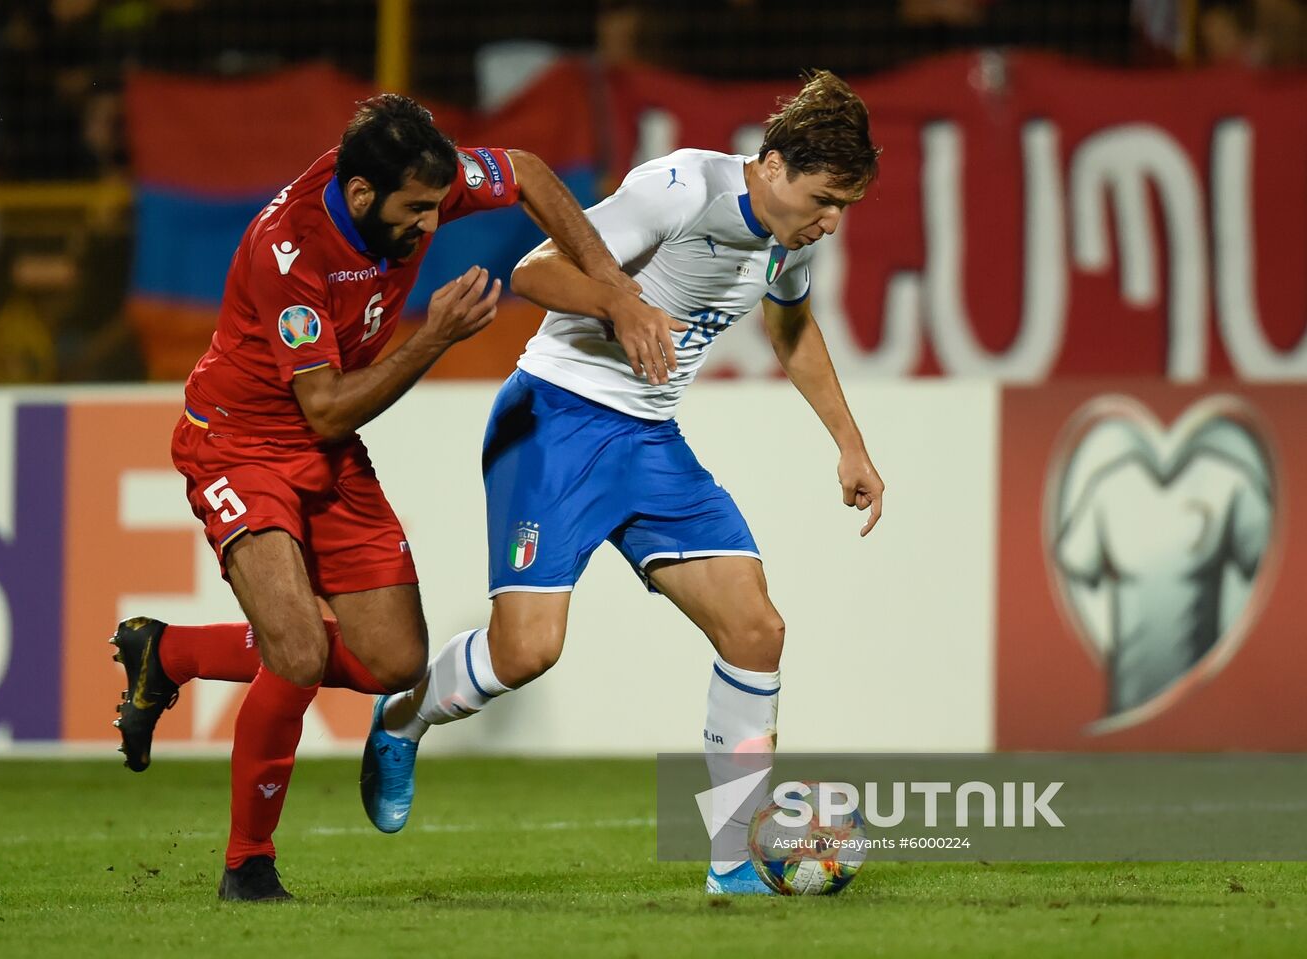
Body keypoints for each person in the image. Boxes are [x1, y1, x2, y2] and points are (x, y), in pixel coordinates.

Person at [362, 70, 886, 895]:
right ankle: (402, 716)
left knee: (757, 631)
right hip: (555, 421)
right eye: (824, 199)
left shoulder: (787, 238)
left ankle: (731, 866)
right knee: (526, 651)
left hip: (648, 441)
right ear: (775, 164)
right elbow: (532, 271)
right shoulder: (681, 188)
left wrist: (850, 444)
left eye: (844, 208)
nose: (830, 221)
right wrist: (621, 304)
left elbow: (789, 320)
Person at [110, 92, 636, 902]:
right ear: (362, 196)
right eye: (417, 210)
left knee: (391, 662)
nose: (431, 223)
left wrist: (614, 289)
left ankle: (169, 652)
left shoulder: (409, 180)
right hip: (239, 445)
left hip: (325, 451)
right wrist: (435, 334)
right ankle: (248, 861)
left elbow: (528, 174)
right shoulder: (288, 250)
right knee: (295, 649)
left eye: (438, 205)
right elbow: (322, 402)